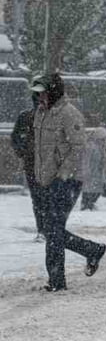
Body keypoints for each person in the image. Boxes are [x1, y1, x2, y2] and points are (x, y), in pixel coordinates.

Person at [30, 73, 106, 292]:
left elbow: (78, 148)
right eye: (38, 93)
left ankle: (58, 278)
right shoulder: (41, 113)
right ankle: (87, 254)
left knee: (53, 230)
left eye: (44, 92)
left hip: (67, 181)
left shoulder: (69, 114)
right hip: (47, 180)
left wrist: (63, 175)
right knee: (51, 230)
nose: (41, 97)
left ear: (53, 91)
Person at [10, 88, 43, 238]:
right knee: (41, 197)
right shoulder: (27, 117)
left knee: (39, 198)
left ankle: (44, 229)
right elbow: (15, 137)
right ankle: (45, 229)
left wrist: (22, 151)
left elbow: (15, 138)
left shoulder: (27, 117)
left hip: (39, 162)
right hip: (36, 162)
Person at [78, 126, 106, 211]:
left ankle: (90, 204)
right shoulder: (90, 146)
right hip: (91, 172)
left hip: (97, 173)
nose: (104, 140)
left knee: (97, 190)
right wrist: (86, 171)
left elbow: (102, 160)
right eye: (103, 138)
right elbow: (85, 160)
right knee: (89, 190)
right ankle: (86, 205)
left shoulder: (101, 147)